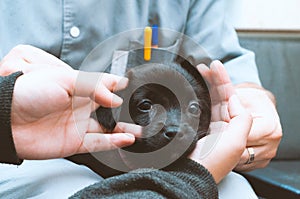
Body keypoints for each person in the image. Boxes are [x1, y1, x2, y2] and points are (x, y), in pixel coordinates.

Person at [0, 0, 282, 198]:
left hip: (168, 160)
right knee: (64, 187)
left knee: (238, 192)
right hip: (18, 159)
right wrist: (7, 104)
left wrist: (252, 104)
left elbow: (227, 67)